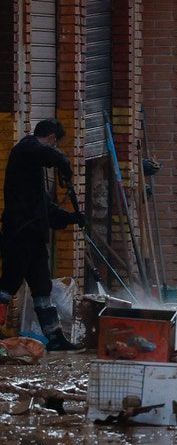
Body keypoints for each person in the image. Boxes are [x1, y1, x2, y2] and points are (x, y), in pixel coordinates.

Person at [0, 119, 84, 351]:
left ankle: (55, 338)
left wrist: (71, 218)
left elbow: (46, 208)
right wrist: (62, 161)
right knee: (8, 286)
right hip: (19, 236)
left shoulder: (33, 173)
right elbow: (43, 153)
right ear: (52, 139)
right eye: (55, 145)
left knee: (42, 289)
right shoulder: (24, 150)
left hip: (34, 239)